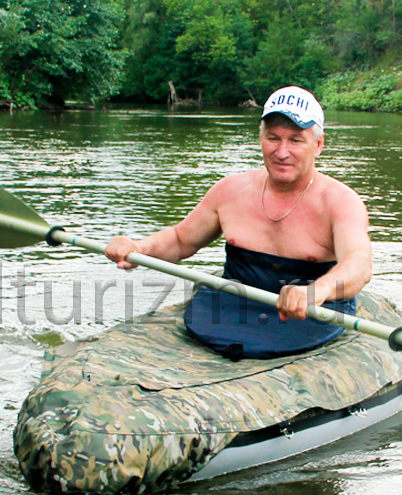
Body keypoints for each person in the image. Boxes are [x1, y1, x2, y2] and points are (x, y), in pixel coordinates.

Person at [104, 86, 372, 359]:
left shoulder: (341, 202)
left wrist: (317, 291)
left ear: (318, 144)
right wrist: (138, 248)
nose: (282, 152)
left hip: (309, 315)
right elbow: (181, 240)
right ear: (260, 139)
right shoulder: (230, 191)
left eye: (295, 140)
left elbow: (358, 265)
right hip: (232, 305)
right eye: (273, 138)